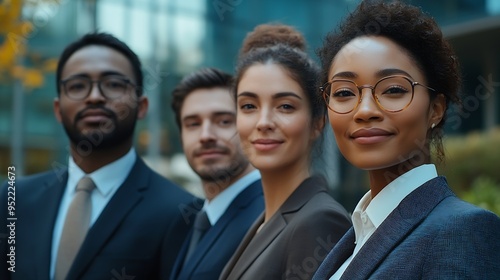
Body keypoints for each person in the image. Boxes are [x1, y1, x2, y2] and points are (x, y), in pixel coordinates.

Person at [312, 1, 500, 279]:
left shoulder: (463, 230)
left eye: (394, 89)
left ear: (436, 109)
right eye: (343, 93)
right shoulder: (355, 237)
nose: (364, 110)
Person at [0, 32, 198, 280]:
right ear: (58, 109)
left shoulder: (180, 211)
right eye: (77, 86)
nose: (94, 96)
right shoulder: (13, 200)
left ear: (142, 106)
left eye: (114, 84)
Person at [219, 24, 351, 280]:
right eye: (248, 106)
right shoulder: (265, 220)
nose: (263, 121)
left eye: (285, 106)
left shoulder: (320, 221)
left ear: (317, 122)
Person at [169, 67, 264, 280]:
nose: (206, 136)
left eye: (223, 121)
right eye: (193, 124)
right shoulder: (189, 220)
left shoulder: (270, 217)